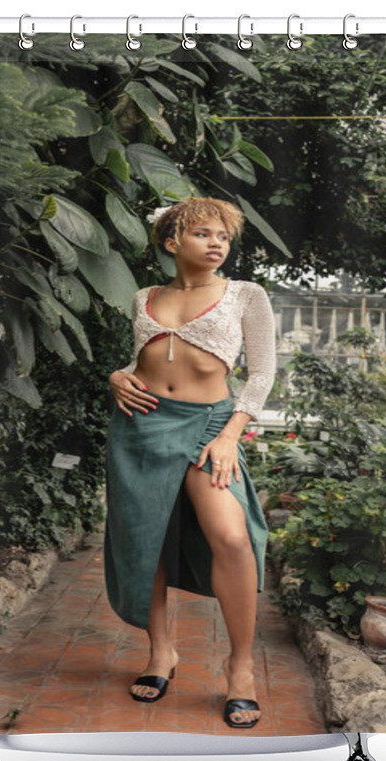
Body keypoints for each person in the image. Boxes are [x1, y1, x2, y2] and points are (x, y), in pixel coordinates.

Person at [105, 196, 276, 729]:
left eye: (223, 235)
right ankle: (161, 653)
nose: (217, 243)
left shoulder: (246, 294)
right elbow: (146, 359)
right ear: (171, 241)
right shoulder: (144, 297)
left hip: (208, 427)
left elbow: (262, 374)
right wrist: (117, 375)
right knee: (147, 537)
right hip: (141, 427)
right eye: (203, 233)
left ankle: (240, 669)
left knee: (230, 536)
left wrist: (230, 436)